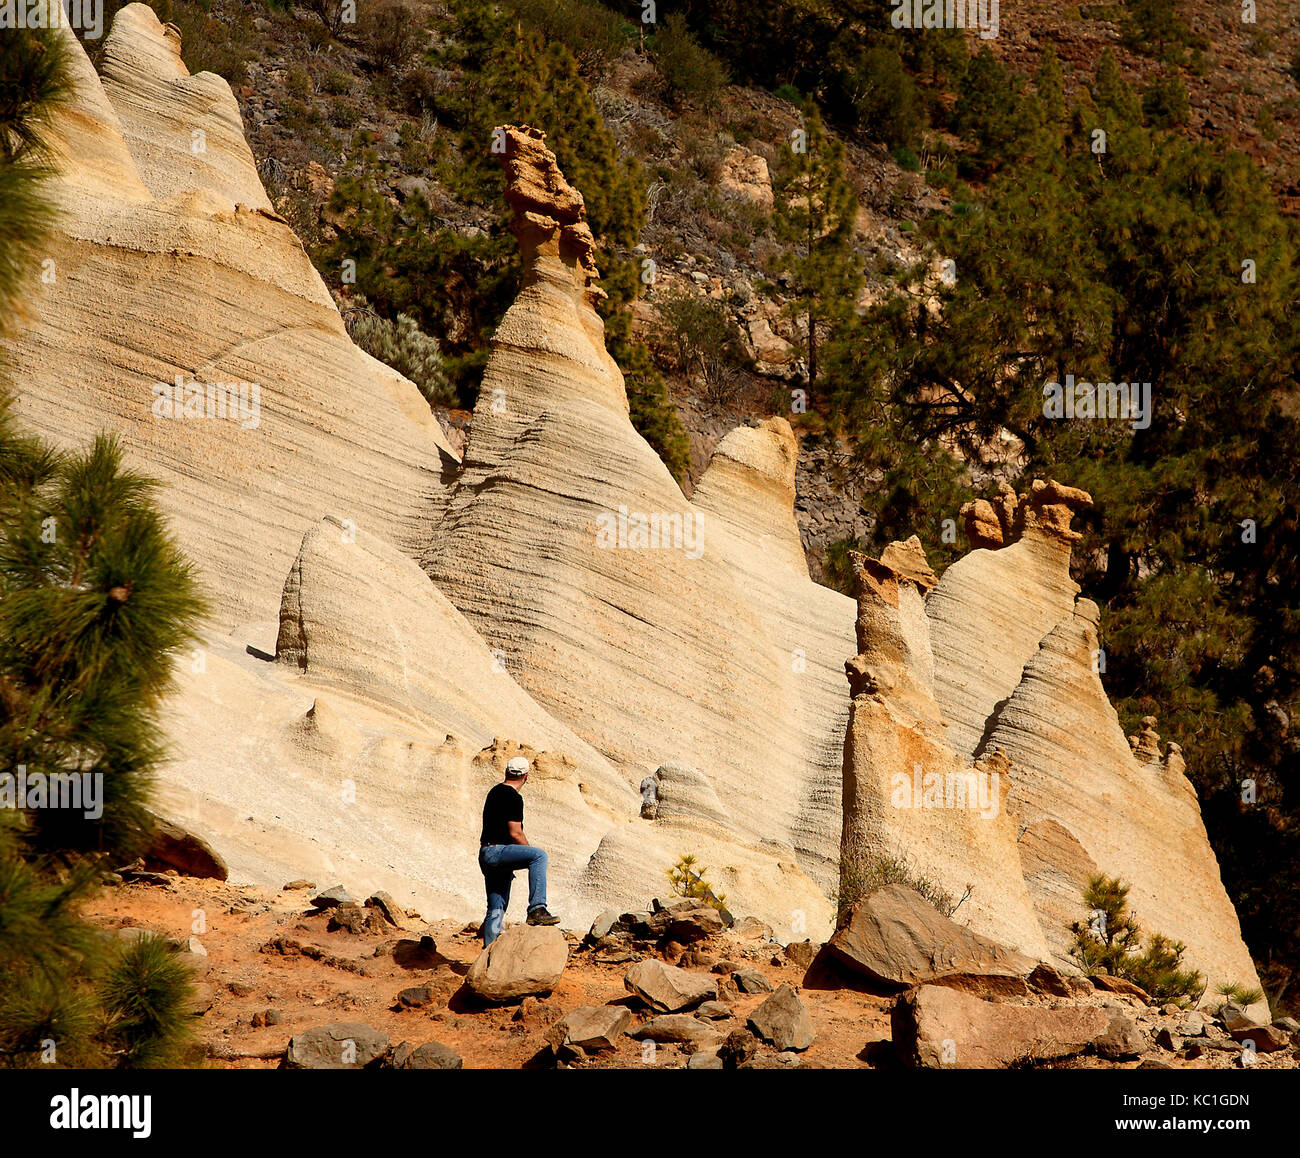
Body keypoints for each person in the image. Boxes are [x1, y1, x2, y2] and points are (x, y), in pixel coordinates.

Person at [478, 755, 560, 945]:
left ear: (506, 772)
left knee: (495, 907)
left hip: (485, 853)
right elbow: (516, 833)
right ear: (526, 776)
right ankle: (537, 909)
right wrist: (528, 853)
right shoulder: (514, 797)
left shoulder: (495, 791)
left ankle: (488, 955)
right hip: (498, 852)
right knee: (539, 856)